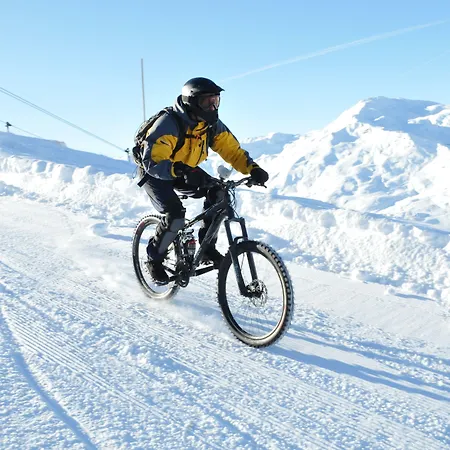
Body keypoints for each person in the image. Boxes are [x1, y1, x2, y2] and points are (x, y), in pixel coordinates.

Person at [139, 77, 269, 283]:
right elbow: (153, 160)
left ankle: (207, 248)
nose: (212, 107)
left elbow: (232, 151)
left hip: (185, 170)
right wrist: (180, 170)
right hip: (156, 173)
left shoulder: (210, 125)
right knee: (176, 215)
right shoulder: (169, 123)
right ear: (191, 102)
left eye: (216, 101)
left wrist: (253, 169)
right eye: (207, 102)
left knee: (219, 193)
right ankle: (154, 259)